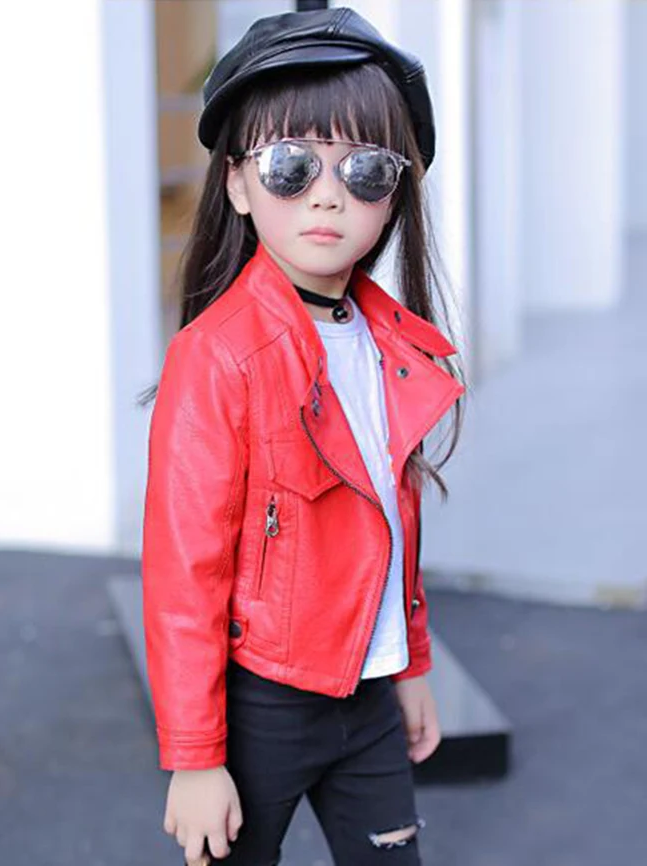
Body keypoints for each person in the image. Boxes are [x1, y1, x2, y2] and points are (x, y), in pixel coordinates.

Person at [139, 7, 466, 865]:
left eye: (365, 169)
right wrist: (195, 756)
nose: (327, 194)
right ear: (238, 185)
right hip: (263, 705)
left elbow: (392, 523)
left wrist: (411, 664)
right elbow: (184, 571)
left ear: (394, 194)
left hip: (370, 696)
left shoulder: (395, 346)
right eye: (290, 165)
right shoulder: (216, 356)